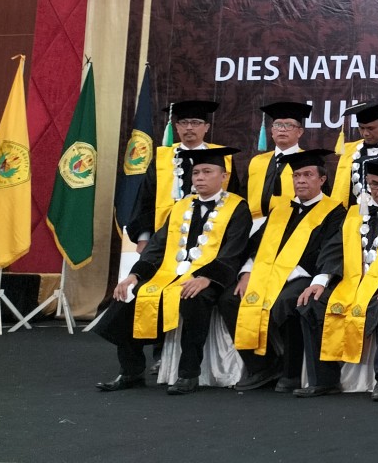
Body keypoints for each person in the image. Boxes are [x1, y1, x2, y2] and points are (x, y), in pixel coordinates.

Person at [94, 147, 250, 395]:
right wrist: (134, 275)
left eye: (207, 171)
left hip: (211, 278)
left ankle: (188, 374)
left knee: (193, 298)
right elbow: (157, 246)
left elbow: (234, 251)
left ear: (223, 176)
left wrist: (207, 278)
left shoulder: (238, 208)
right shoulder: (181, 206)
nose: (199, 177)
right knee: (127, 297)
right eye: (196, 172)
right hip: (170, 274)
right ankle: (131, 371)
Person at [296, 155, 378, 401]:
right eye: (375, 184)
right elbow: (335, 248)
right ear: (366, 181)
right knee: (311, 301)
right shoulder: (355, 213)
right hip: (350, 282)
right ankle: (324, 380)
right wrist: (320, 280)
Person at [219, 149, 344, 393]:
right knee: (230, 299)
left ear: (322, 179)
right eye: (296, 176)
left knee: (288, 301)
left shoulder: (335, 212)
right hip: (267, 274)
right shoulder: (281, 210)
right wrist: (246, 273)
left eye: (307, 175)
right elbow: (256, 246)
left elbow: (331, 251)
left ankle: (292, 372)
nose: (300, 181)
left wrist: (286, 275)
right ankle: (262, 366)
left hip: (304, 275)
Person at [127, 100, 240, 251]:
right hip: (164, 235)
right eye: (184, 122)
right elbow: (146, 198)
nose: (189, 127)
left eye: (195, 123)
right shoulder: (162, 158)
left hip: (210, 235)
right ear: (177, 127)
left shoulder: (224, 158)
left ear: (206, 127)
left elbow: (233, 198)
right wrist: (143, 238)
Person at [246, 101, 310, 222]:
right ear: (272, 131)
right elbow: (243, 195)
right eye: (278, 125)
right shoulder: (257, 162)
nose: (282, 129)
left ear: (300, 132)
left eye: (289, 125)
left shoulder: (308, 161)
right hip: (253, 225)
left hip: (291, 224)